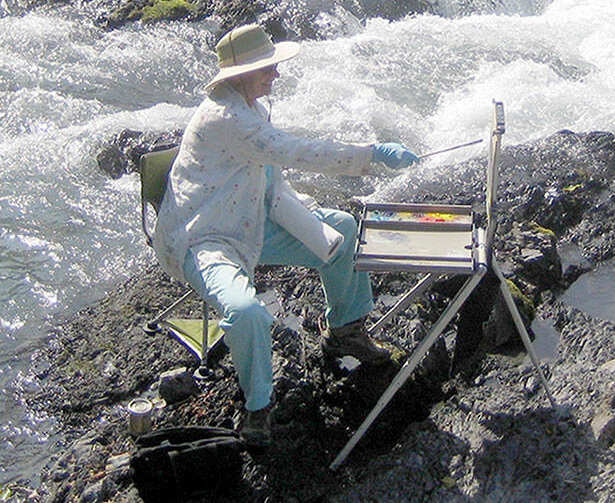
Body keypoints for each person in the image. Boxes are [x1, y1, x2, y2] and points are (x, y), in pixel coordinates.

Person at [152, 23, 418, 446]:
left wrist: (305, 216)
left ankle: (345, 330)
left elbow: (271, 177)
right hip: (206, 237)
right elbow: (294, 151)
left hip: (251, 219)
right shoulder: (227, 118)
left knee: (344, 230)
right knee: (247, 312)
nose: (275, 75)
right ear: (238, 75)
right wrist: (370, 154)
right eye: (267, 68)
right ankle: (258, 407)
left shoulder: (253, 106)